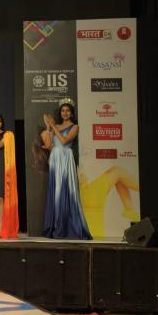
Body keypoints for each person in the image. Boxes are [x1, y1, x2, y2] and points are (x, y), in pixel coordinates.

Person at [42, 101, 91, 239]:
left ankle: (66, 226)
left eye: (68, 110)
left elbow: (64, 141)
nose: (65, 113)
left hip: (66, 159)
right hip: (55, 158)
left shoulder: (75, 127)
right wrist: (48, 127)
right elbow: (48, 145)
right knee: (56, 191)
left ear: (71, 113)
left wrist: (53, 126)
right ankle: (56, 225)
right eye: (63, 110)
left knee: (65, 191)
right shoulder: (56, 126)